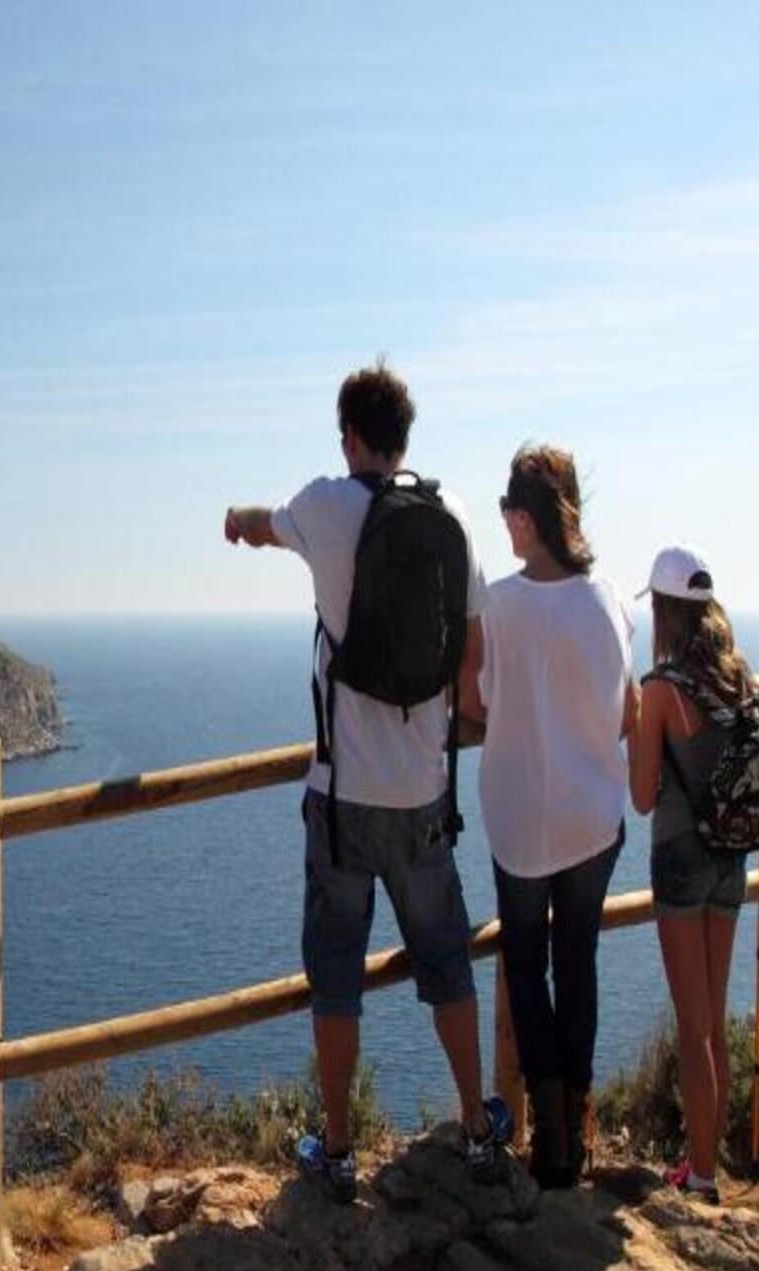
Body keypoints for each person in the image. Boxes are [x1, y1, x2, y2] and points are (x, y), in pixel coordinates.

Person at [223, 362, 510, 1200]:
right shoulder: (453, 516)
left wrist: (235, 521)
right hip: (424, 793)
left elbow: (262, 526)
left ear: (350, 436)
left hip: (342, 797)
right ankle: (477, 1126)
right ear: (404, 438)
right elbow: (474, 659)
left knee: (337, 974)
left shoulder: (324, 505)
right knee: (447, 962)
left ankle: (341, 1149)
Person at [464, 446, 633, 1189]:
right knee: (578, 961)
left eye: (508, 510)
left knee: (526, 966)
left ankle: (552, 1140)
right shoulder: (610, 599)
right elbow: (627, 712)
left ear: (527, 518)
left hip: (522, 821)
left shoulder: (497, 606)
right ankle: (577, 1120)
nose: (504, 522)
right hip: (592, 817)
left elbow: (475, 701)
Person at [629, 545, 756, 1206]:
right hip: (731, 855)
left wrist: (636, 732)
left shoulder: (660, 688)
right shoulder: (738, 675)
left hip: (680, 859)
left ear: (662, 610)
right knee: (714, 1018)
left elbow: (641, 796)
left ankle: (700, 1178)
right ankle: (709, 1164)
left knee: (692, 1026)